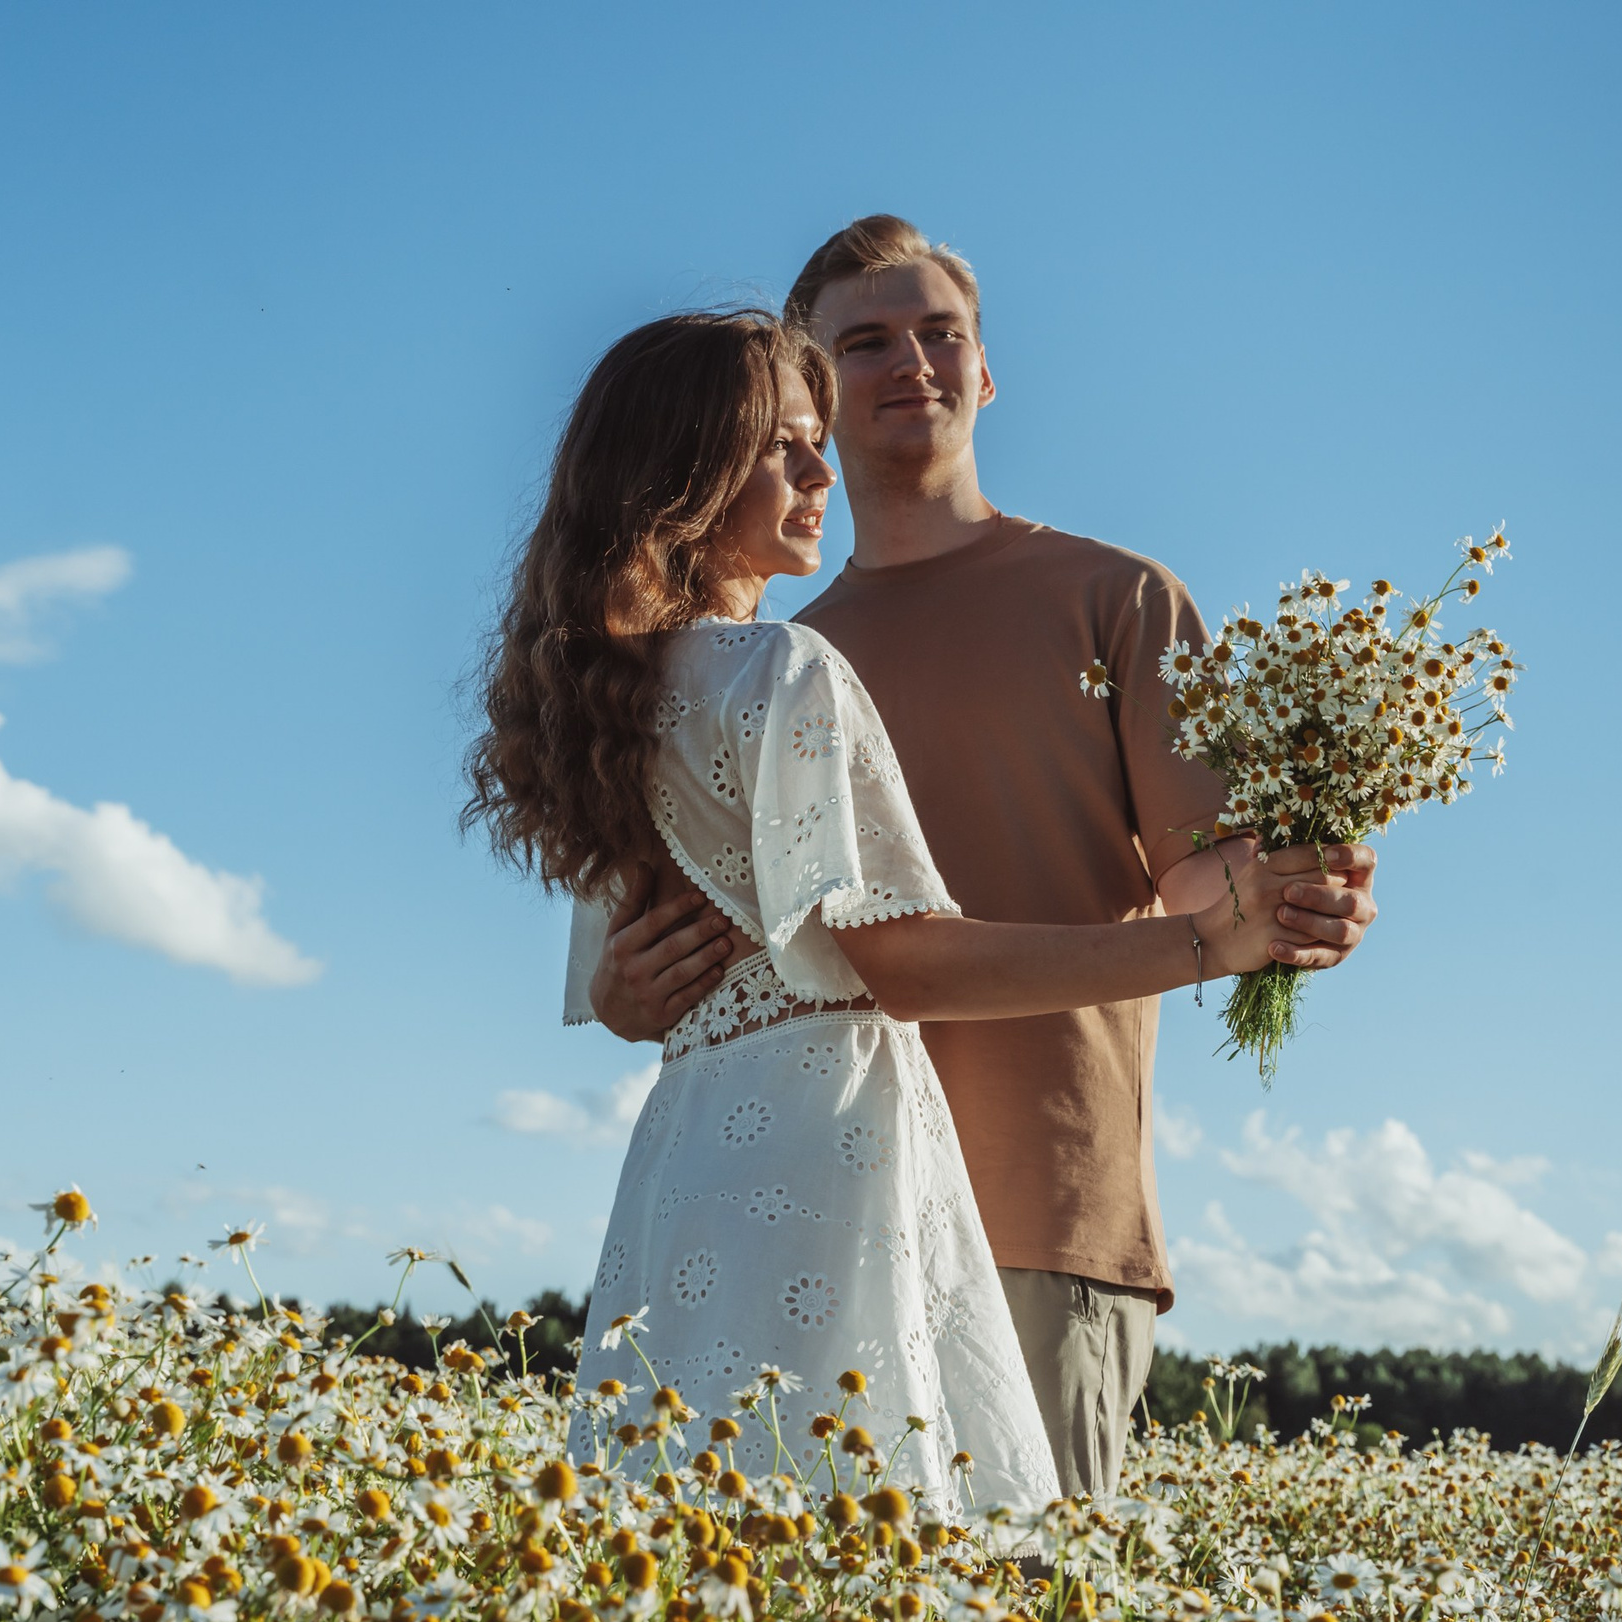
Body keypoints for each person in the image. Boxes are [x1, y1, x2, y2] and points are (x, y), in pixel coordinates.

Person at [465, 309, 1314, 1518]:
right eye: (784, 448)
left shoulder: (604, 702)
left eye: (818, 444)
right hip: (829, 1135)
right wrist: (1198, 942)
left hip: (689, 1150)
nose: (822, 474)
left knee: (703, 1522)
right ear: (681, 475)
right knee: (870, 1520)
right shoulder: (783, 669)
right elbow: (901, 964)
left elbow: (617, 990)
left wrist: (622, 1003)